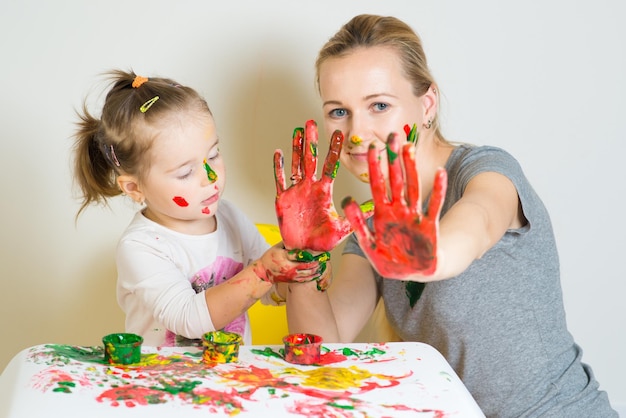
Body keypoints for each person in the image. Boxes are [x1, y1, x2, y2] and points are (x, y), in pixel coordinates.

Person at [278, 15, 618, 417]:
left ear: (427, 104)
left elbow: (475, 225)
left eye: (380, 105)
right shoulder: (369, 227)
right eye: (338, 112)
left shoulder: (485, 171)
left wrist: (427, 255)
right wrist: (302, 254)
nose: (357, 132)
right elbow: (324, 342)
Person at [72, 70, 325, 347]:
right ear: (135, 188)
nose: (211, 177)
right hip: (163, 384)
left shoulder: (229, 216)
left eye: (214, 155)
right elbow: (188, 319)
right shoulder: (141, 247)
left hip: (230, 379)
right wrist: (265, 271)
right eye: (185, 173)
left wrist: (304, 270)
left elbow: (270, 290)